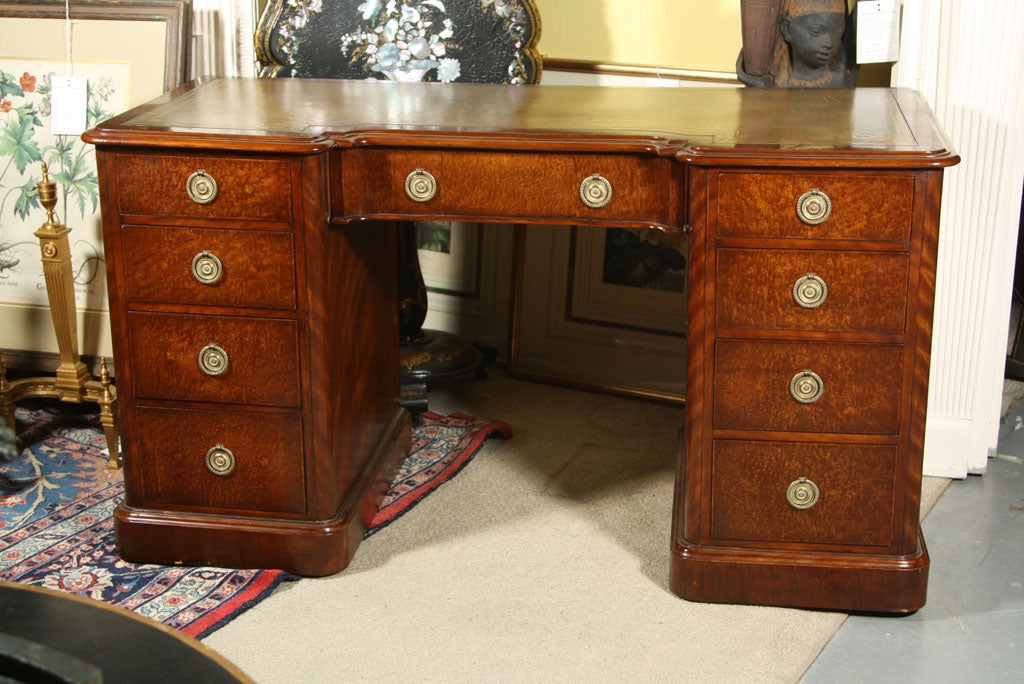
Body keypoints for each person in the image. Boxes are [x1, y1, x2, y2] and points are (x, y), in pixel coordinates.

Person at [737, 0, 858, 88]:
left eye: (838, 32)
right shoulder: (777, 82)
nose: (829, 43)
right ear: (787, 28)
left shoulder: (843, 72)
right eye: (816, 32)